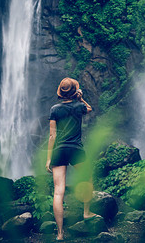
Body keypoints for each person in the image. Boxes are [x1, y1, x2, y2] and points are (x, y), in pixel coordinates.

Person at [45, 77, 99, 241]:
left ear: (61, 92)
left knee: (58, 192)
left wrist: (48, 159)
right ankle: (86, 212)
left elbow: (52, 136)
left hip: (59, 151)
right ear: (75, 91)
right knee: (88, 179)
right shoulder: (79, 106)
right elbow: (90, 109)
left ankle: (60, 233)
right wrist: (80, 97)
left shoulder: (54, 109)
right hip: (76, 149)